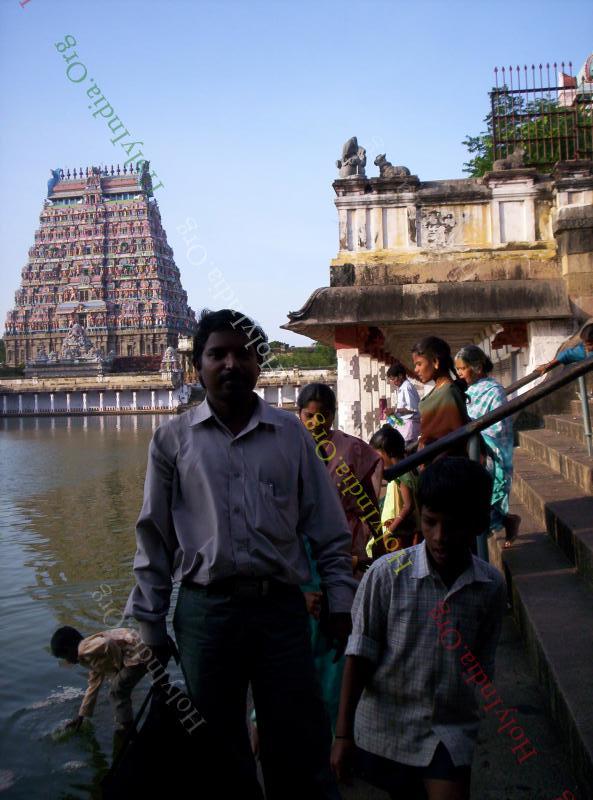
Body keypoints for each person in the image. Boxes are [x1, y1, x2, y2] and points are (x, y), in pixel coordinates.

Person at [124, 308, 356, 800]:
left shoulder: (291, 435)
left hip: (282, 611)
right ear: (197, 367)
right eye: (216, 354)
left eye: (242, 353)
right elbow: (155, 540)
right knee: (217, 749)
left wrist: (340, 601)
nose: (230, 363)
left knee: (296, 739)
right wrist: (149, 624)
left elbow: (329, 531)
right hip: (205, 613)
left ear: (259, 364)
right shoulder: (172, 440)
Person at [331, 458, 506, 800]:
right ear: (419, 518)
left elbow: (481, 667)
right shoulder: (386, 575)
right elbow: (359, 655)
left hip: (448, 731)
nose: (440, 537)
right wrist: (342, 735)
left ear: (477, 523)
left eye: (454, 526)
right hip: (384, 728)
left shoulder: (490, 587)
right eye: (430, 522)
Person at [295, 383, 382, 731]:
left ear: (332, 416)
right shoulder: (289, 449)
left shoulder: (353, 451)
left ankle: (338, 732)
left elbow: (368, 508)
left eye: (322, 416)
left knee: (338, 646)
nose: (315, 423)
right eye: (308, 416)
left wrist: (360, 555)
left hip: (342, 558)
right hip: (299, 563)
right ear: (298, 415)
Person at [455, 345, 520, 548]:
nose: (459, 374)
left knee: (485, 501)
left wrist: (479, 439)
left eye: (462, 369)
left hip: (490, 452)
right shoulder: (465, 390)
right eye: (457, 370)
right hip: (469, 450)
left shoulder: (494, 391)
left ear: (477, 367)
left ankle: (499, 528)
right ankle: (506, 523)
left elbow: (500, 427)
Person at [50, 625, 148, 733]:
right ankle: (125, 724)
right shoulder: (89, 656)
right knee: (117, 689)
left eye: (65, 657)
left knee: (116, 691)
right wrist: (81, 716)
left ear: (69, 649)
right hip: (136, 649)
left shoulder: (84, 650)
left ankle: (129, 730)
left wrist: (119, 665)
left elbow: (108, 642)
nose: (68, 661)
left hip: (136, 655)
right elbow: (93, 687)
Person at [412, 336, 469, 460]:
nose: (416, 370)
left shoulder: (447, 393)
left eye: (419, 364)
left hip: (442, 467)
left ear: (435, 362)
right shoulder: (440, 389)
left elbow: (454, 438)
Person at [368, 424, 420, 555]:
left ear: (388, 452)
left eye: (378, 456)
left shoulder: (402, 473)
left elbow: (408, 507)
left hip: (407, 532)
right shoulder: (408, 467)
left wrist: (389, 532)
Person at [384, 362, 421, 445]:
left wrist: (395, 410)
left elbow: (412, 409)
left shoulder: (407, 387)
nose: (393, 382)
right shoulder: (402, 387)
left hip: (409, 428)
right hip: (404, 426)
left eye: (393, 379)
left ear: (400, 376)